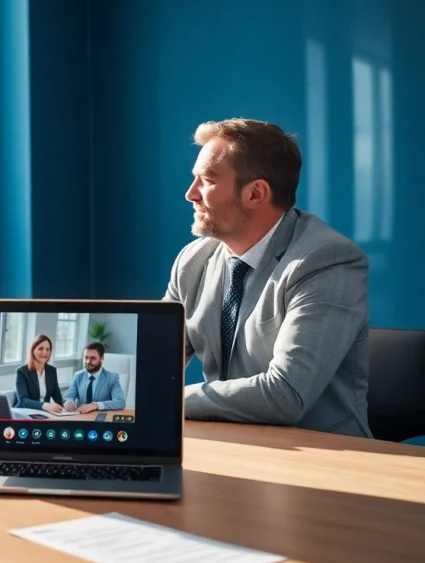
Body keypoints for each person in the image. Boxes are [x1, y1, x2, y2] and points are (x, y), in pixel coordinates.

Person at [163, 118, 370, 437]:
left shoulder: (326, 260)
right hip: (227, 446)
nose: (191, 194)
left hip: (320, 458)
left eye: (207, 180)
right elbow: (155, 360)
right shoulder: (193, 260)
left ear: (256, 193)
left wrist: (172, 400)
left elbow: (285, 395)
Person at [63, 342, 125, 413]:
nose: (88, 361)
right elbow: (68, 396)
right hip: (81, 418)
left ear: (102, 359)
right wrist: (68, 402)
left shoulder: (112, 378)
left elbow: (120, 402)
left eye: (93, 358)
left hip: (100, 419)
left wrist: (95, 405)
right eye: (86, 357)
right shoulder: (78, 376)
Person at [14, 334, 65, 413]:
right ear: (33, 350)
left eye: (48, 349)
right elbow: (23, 401)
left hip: (44, 414)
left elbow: (57, 396)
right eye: (40, 349)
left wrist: (65, 404)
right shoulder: (22, 372)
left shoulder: (52, 371)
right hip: (24, 413)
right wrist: (44, 405)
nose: (45, 352)